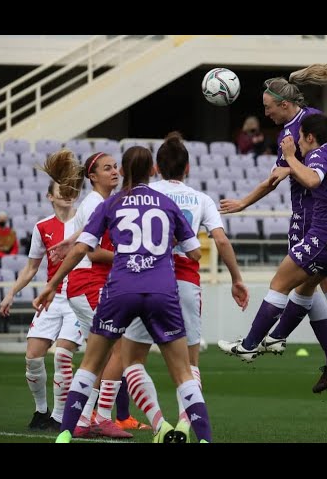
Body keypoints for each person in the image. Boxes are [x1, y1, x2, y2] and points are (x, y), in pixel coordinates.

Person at [33, 145, 213, 443]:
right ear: (153, 170)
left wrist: (52, 284)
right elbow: (194, 252)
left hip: (121, 289)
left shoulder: (112, 203)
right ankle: (204, 439)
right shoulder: (167, 203)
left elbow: (81, 249)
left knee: (91, 363)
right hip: (161, 290)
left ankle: (64, 435)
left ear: (125, 171)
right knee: (183, 372)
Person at [219, 65, 327, 394]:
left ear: (284, 105)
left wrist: (243, 203)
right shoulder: (312, 118)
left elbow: (276, 178)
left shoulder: (297, 134)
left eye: (268, 107)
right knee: (320, 280)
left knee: (295, 281)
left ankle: (271, 341)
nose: (265, 113)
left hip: (312, 218)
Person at [122, 131, 249, 443]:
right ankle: (183, 427)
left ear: (156, 168)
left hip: (146, 280)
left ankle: (159, 426)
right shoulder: (200, 198)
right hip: (187, 284)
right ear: (187, 168)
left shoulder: (145, 193)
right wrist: (236, 278)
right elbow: (220, 239)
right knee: (190, 365)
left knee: (132, 361)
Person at [52, 151, 143, 438]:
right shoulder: (95, 203)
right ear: (92, 177)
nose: (115, 171)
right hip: (89, 281)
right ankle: (101, 416)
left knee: (100, 353)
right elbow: (92, 252)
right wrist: (127, 255)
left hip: (88, 283)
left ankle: (83, 419)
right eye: (107, 169)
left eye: (116, 167)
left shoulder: (99, 202)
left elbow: (81, 237)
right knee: (119, 348)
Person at [0, 164, 81, 431]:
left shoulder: (85, 222)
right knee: (33, 357)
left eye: (71, 189)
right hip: (52, 297)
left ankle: (59, 417)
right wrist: (11, 293)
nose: (67, 194)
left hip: (78, 296)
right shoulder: (42, 227)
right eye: (62, 190)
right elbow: (32, 267)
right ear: (50, 196)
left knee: (62, 356)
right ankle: (41, 411)